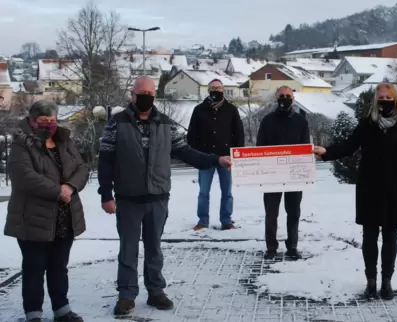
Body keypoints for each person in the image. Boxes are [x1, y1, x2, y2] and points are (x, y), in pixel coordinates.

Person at [98, 76, 231, 316]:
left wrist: (216, 159)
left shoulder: (165, 124)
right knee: (128, 250)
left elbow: (186, 151)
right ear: (132, 94)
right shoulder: (117, 123)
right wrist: (106, 194)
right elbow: (105, 160)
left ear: (154, 96)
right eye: (141, 93)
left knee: (154, 249)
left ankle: (156, 291)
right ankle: (126, 296)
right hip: (128, 199)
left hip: (158, 198)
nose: (146, 96)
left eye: (150, 92)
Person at [313, 83, 397, 300]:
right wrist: (326, 152)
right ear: (375, 100)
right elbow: (349, 146)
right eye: (381, 97)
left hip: (395, 189)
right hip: (369, 187)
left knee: (390, 236)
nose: (385, 100)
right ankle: (371, 281)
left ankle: (386, 282)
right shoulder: (366, 124)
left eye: (389, 97)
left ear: (396, 100)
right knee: (369, 237)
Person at [4, 100, 89, 322]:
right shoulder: (21, 144)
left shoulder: (64, 140)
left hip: (65, 216)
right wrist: (57, 191)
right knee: (34, 268)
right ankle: (33, 314)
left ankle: (62, 309)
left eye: (52, 120)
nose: (49, 124)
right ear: (33, 122)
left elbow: (81, 168)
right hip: (33, 217)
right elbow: (23, 176)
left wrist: (70, 187)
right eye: (44, 121)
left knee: (59, 267)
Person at [256, 86, 310, 261]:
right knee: (271, 212)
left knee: (293, 211)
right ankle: (271, 247)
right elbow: (259, 147)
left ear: (293, 99)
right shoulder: (267, 120)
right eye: (281, 95)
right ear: (276, 97)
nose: (284, 98)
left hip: (294, 173)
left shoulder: (301, 122)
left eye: (288, 96)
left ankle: (292, 246)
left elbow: (304, 147)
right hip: (272, 173)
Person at [187, 79, 244, 230]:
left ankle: (226, 221)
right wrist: (196, 154)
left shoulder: (231, 110)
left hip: (226, 158)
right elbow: (192, 134)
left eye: (218, 88)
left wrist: (237, 154)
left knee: (227, 192)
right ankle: (202, 221)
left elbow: (238, 133)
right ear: (208, 90)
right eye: (213, 88)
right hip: (205, 157)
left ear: (223, 90)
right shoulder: (199, 109)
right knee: (203, 192)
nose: (216, 91)